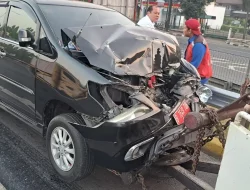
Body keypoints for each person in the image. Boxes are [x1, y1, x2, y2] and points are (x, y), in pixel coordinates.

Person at [183, 18, 213, 85]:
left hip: (199, 77)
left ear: (190, 30)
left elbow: (194, 65)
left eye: (184, 28)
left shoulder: (198, 44)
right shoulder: (194, 41)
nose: (183, 30)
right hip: (196, 75)